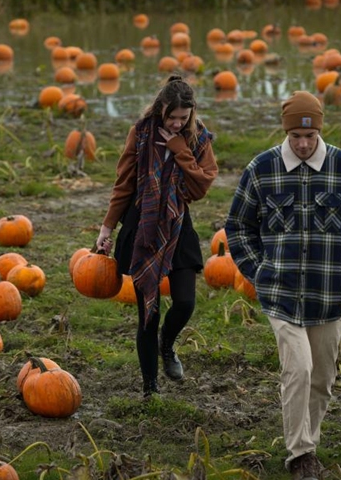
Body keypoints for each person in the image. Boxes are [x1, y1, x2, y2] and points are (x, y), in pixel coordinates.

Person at [224, 91, 341, 479]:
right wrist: (259, 272)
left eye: (310, 137)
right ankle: (301, 455)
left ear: (319, 131)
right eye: (296, 136)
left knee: (323, 378)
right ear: (287, 132)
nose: (304, 144)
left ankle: (308, 437)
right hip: (282, 295)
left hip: (328, 295)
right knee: (299, 369)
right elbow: (238, 227)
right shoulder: (262, 169)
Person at [95, 75, 218, 398]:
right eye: (172, 117)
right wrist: (107, 228)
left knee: (186, 302)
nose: (177, 123)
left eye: (183, 118)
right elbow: (124, 183)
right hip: (143, 224)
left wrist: (179, 150)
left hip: (177, 223)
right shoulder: (140, 133)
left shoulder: (198, 139)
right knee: (147, 313)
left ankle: (167, 344)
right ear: (161, 109)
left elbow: (200, 187)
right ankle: (150, 388)